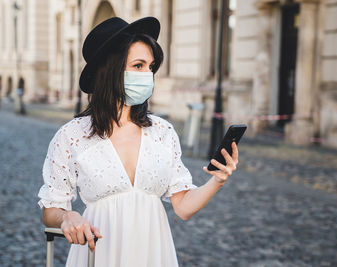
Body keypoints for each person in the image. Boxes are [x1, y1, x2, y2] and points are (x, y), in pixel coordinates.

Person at [38, 17, 239, 267]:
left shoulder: (162, 132)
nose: (148, 75)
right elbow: (51, 210)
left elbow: (183, 207)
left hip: (153, 254)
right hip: (99, 254)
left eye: (151, 67)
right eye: (138, 65)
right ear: (110, 69)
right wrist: (67, 216)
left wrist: (217, 180)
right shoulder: (71, 135)